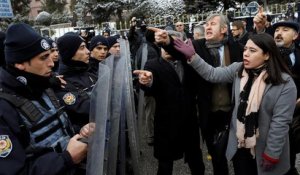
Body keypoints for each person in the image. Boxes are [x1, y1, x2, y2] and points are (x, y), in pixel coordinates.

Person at [172, 33, 296, 175]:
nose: (246, 54)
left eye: (252, 51)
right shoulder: (239, 69)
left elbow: (280, 123)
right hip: (240, 146)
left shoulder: (284, 83)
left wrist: (271, 154)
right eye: (245, 49)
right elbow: (212, 74)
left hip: (266, 148)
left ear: (267, 55)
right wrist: (193, 57)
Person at [0, 23, 89, 175]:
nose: (52, 63)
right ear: (20, 64)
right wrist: (67, 159)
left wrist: (80, 131)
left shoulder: (42, 86)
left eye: (50, 54)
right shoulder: (4, 108)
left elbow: (55, 128)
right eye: (43, 57)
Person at [133, 36, 205, 174]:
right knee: (165, 165)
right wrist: (147, 82)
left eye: (170, 45)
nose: (167, 50)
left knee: (196, 163)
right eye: (163, 46)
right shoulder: (153, 65)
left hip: (189, 123)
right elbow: (149, 86)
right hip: (166, 123)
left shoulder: (189, 62)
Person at [189, 13, 243, 175]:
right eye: (206, 24)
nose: (208, 27)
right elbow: (177, 47)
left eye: (212, 24)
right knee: (218, 159)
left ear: (224, 29)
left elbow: (260, 48)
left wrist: (261, 28)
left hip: (233, 113)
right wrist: (168, 42)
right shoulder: (198, 47)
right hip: (210, 113)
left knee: (240, 157)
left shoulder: (237, 49)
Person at [273, 20, 300, 175]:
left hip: (296, 113)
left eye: (284, 30)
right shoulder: (268, 55)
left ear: (295, 35)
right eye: (276, 30)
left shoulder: (298, 54)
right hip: (275, 113)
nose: (279, 33)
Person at [56, 32, 97, 132]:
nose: (88, 52)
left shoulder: (89, 74)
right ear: (69, 53)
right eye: (82, 48)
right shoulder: (62, 83)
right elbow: (87, 108)